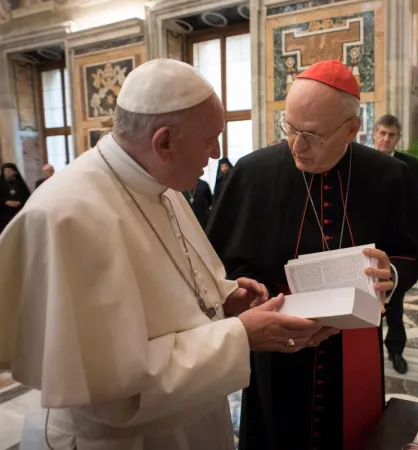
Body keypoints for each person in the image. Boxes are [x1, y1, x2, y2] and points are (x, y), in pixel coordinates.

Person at [0, 58, 327, 450]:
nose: (217, 153)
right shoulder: (65, 217)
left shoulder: (163, 185)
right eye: (210, 140)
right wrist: (240, 337)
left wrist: (224, 301)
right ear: (164, 142)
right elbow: (110, 392)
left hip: (190, 418)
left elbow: (172, 292)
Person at [208, 60, 418, 450]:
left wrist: (394, 276)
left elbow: (407, 255)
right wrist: (245, 292)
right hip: (277, 341)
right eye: (290, 128)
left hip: (353, 343)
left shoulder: (388, 176)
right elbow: (224, 262)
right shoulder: (253, 173)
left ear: (352, 129)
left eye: (313, 135)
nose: (297, 146)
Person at [373, 114, 418, 375]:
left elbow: (415, 202)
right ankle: (368, 351)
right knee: (368, 298)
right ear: (374, 134)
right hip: (368, 241)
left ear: (398, 138)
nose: (386, 138)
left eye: (391, 135)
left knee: (396, 299)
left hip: (397, 244)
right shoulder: (361, 160)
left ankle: (395, 350)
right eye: (382, 133)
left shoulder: (409, 164)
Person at [0, 162, 30, 235]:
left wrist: (20, 202)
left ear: (15, 172)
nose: (7, 172)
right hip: (4, 214)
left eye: (9, 170)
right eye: (5, 170)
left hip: (18, 212)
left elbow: (28, 197)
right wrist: (5, 202)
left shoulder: (21, 184)